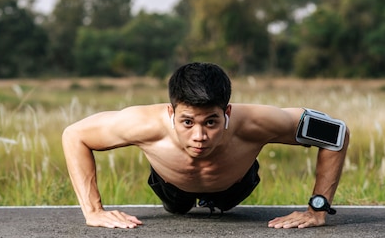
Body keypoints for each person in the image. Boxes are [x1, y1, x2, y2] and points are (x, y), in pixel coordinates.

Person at [62, 62, 349, 229]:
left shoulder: (258, 122)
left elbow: (336, 133)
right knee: (176, 208)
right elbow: (74, 135)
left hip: (236, 185)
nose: (199, 136)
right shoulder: (142, 123)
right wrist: (93, 211)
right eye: (187, 123)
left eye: (211, 122)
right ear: (171, 113)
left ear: (228, 113)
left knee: (229, 204)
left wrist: (317, 209)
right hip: (170, 185)